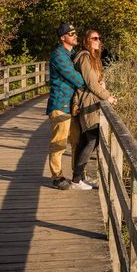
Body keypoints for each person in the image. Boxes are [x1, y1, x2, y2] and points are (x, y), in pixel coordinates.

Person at [70, 29, 117, 190]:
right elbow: (90, 83)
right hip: (88, 102)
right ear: (86, 41)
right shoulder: (84, 57)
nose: (97, 40)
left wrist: (102, 86)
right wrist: (107, 96)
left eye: (99, 37)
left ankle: (79, 177)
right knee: (92, 139)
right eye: (93, 38)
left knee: (86, 140)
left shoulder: (93, 58)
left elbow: (97, 80)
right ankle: (76, 179)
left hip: (93, 100)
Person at [46, 23, 86, 190]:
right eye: (71, 33)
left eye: (75, 33)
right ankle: (57, 176)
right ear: (63, 37)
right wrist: (91, 83)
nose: (75, 35)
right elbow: (76, 78)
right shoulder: (58, 55)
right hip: (60, 104)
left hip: (72, 105)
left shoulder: (72, 54)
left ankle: (78, 175)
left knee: (77, 140)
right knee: (59, 142)